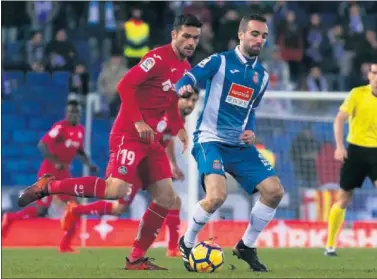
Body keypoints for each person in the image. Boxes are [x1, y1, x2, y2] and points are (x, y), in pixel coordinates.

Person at [17, 14, 202, 271]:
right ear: (174, 35)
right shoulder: (157, 58)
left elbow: (171, 102)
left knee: (167, 198)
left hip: (152, 142)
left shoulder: (186, 70)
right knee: (115, 191)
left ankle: (136, 257)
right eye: (186, 36)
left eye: (195, 37)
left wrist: (179, 128)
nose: (191, 41)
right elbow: (124, 85)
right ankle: (50, 185)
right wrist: (138, 121)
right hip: (129, 132)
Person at [176, 14, 284, 272]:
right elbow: (191, 76)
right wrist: (182, 87)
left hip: (239, 145)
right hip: (210, 139)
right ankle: (187, 242)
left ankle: (246, 245)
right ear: (241, 34)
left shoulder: (262, 76)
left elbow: (252, 110)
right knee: (217, 197)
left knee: (274, 191)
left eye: (264, 36)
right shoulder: (220, 61)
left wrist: (250, 130)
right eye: (255, 34)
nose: (260, 39)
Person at [61, 92, 199, 257]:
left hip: (151, 162)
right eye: (187, 99)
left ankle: (172, 248)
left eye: (194, 101)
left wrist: (172, 164)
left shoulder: (177, 119)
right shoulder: (162, 111)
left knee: (172, 201)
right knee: (120, 206)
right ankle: (76, 210)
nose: (190, 104)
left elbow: (166, 140)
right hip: (137, 162)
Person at [2, 100, 98, 253]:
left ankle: (64, 245)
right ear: (66, 114)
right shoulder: (60, 127)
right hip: (48, 172)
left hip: (64, 174)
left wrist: (88, 164)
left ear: (79, 115)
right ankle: (10, 218)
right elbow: (42, 144)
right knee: (41, 211)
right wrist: (55, 162)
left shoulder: (80, 130)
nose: (73, 115)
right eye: (70, 112)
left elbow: (79, 150)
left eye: (75, 113)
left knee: (76, 207)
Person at [325, 62, 377, 257]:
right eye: (374, 73)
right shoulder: (357, 93)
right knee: (344, 199)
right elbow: (339, 119)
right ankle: (330, 244)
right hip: (355, 151)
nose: (376, 77)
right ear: (369, 75)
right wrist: (339, 147)